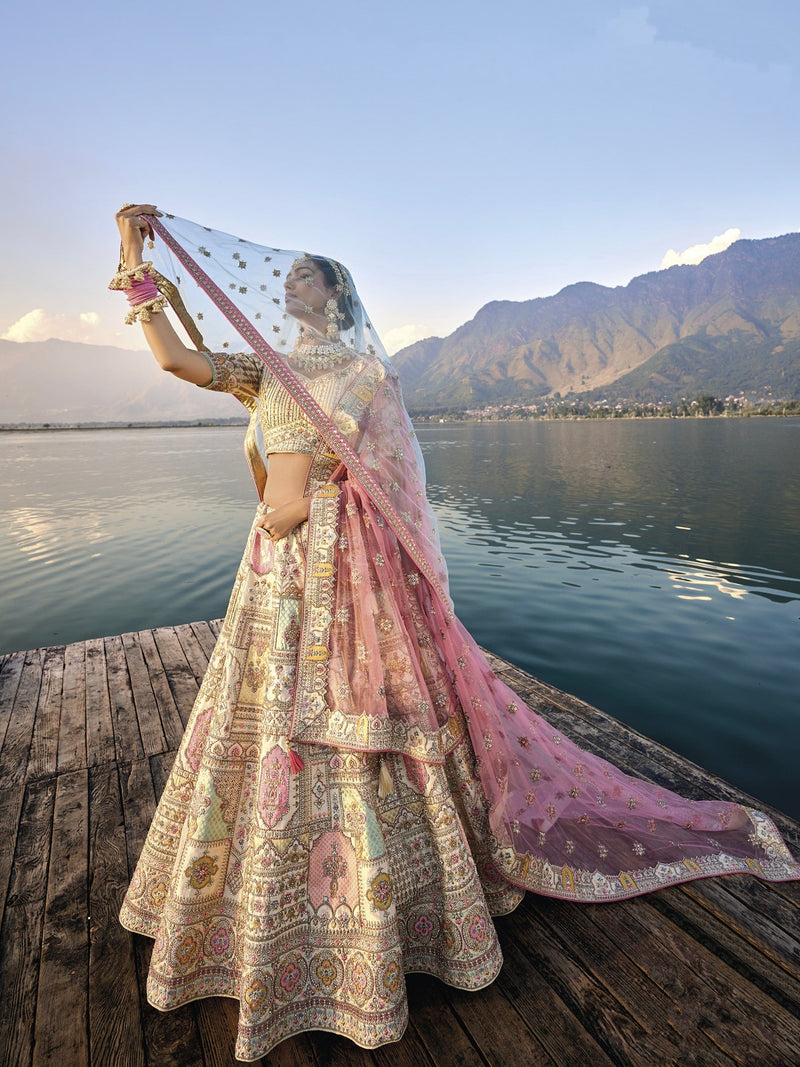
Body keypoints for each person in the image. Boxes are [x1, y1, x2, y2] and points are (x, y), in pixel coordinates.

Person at [114, 205, 799, 1061]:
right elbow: (180, 358)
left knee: (362, 734)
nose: (290, 281)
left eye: (307, 273)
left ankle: (393, 910)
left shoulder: (365, 376)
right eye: (285, 274)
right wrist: (135, 260)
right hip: (271, 578)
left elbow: (397, 490)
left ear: (337, 292)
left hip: (341, 570)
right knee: (259, 732)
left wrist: (323, 503)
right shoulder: (268, 368)